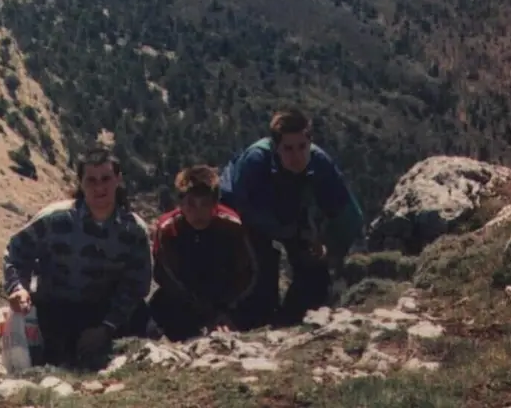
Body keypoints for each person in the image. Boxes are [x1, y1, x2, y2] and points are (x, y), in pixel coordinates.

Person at [2, 145, 153, 370]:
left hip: (106, 312)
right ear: (81, 183)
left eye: (105, 179)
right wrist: (18, 288)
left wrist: (106, 327)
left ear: (118, 180)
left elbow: (136, 286)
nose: (99, 187)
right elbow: (16, 252)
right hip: (57, 310)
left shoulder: (134, 230)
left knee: (141, 320)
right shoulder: (54, 220)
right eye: (91, 180)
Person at [219, 109, 365, 328]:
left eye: (302, 146)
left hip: (290, 210)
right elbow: (246, 209)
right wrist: (290, 231)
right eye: (288, 148)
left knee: (315, 273)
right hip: (244, 213)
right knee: (260, 271)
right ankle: (249, 321)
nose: (297, 156)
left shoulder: (319, 162)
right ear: (275, 146)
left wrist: (328, 247)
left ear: (310, 142)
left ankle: (291, 320)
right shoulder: (255, 161)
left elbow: (348, 216)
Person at [148, 165, 259, 341]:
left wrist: (225, 310)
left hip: (225, 296)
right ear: (181, 204)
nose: (198, 212)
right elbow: (165, 275)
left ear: (215, 204)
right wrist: (202, 312)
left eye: (205, 204)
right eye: (191, 204)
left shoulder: (232, 226)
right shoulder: (168, 230)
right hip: (184, 298)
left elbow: (247, 273)